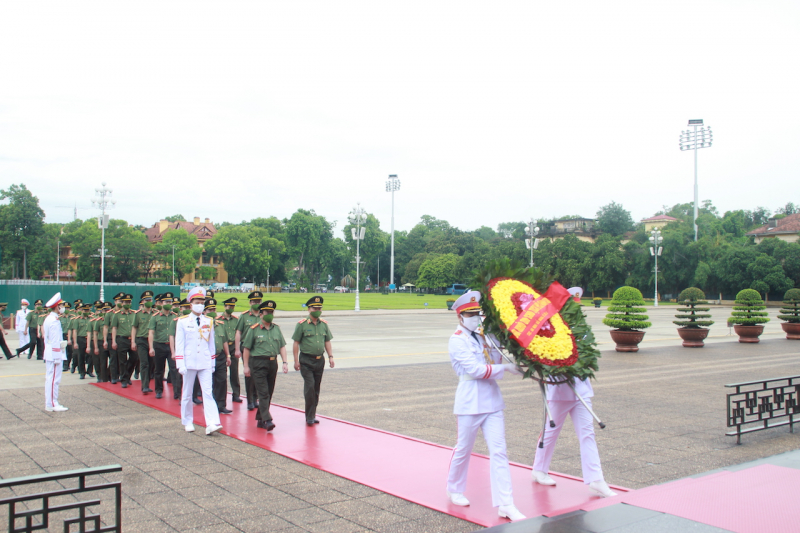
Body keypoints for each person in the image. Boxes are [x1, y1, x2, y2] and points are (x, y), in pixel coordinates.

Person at [445, 290, 525, 522]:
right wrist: (506, 369)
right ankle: (454, 488)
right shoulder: (457, 340)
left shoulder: (485, 337)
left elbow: (497, 358)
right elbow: (477, 370)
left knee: (499, 451)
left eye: (477, 313)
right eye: (469, 314)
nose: (475, 318)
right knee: (464, 448)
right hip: (470, 400)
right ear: (460, 317)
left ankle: (506, 503)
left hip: (492, 401)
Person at [531, 377, 616, 498]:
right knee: (550, 432)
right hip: (558, 391)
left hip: (580, 391)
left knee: (588, 435)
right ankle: (539, 469)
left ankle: (596, 479)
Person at [175, 287, 222, 435]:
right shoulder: (182, 322)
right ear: (191, 304)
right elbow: (179, 344)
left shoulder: (208, 320)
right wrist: (180, 363)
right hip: (188, 361)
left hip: (204, 361)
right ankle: (188, 421)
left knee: (208, 393)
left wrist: (212, 362)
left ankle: (212, 422)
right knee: (187, 393)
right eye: (197, 302)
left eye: (202, 302)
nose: (200, 305)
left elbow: (211, 343)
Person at [242, 300, 288, 431]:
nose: (270, 314)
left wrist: (285, 362)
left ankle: (260, 419)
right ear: (261, 314)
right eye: (267, 312)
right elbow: (246, 349)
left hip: (272, 363)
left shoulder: (276, 329)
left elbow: (282, 346)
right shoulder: (254, 330)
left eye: (272, 312)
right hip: (258, 363)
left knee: (269, 391)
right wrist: (246, 366)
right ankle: (268, 420)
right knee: (263, 393)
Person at [292, 296, 334, 426]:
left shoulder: (324, 325)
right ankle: (309, 416)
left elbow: (327, 341)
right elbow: (296, 342)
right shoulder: (302, 325)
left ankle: (312, 414)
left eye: (319, 308)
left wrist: (330, 356)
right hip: (306, 360)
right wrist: (295, 360)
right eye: (315, 308)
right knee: (309, 387)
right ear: (309, 309)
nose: (317, 310)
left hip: (319, 360)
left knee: (316, 388)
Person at [235, 291, 263, 410]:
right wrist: (237, 349)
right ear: (250, 302)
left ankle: (256, 398)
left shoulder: (263, 315)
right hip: (247, 348)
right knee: (249, 374)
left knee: (258, 373)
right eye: (254, 301)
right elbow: (238, 332)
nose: (256, 303)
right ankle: (250, 400)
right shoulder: (245, 316)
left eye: (258, 301)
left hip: (259, 348)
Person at [150, 293, 181, 400]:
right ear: (161, 303)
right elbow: (151, 333)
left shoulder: (175, 317)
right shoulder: (155, 317)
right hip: (159, 345)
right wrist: (151, 347)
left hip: (172, 346)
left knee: (174, 369)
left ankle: (177, 392)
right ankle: (159, 390)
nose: (168, 304)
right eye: (166, 302)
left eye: (170, 302)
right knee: (159, 370)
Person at [204, 298, 232, 414]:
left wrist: (228, 355)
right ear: (204, 312)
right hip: (206, 358)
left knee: (222, 381)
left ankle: (221, 405)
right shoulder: (201, 326)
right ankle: (210, 405)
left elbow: (224, 340)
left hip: (219, 357)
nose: (213, 311)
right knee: (208, 383)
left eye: (214, 309)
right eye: (210, 309)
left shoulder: (220, 325)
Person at [43, 293, 68, 412]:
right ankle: (53, 403)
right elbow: (54, 340)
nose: (63, 307)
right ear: (57, 307)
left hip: (52, 352)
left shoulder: (51, 318)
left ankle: (51, 402)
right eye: (61, 305)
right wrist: (58, 356)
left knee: (52, 379)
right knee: (54, 380)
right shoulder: (53, 320)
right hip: (54, 354)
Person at [111, 294, 137, 388]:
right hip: (121, 339)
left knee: (134, 358)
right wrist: (113, 341)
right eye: (126, 302)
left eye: (129, 302)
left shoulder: (134, 314)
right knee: (122, 361)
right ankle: (124, 380)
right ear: (122, 303)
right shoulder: (117, 315)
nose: (128, 304)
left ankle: (127, 375)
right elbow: (114, 328)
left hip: (132, 339)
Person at [131, 291, 154, 394]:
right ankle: (144, 386)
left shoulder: (155, 314)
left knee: (151, 364)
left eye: (150, 300)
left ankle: (148, 383)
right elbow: (134, 328)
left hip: (152, 342)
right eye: (146, 300)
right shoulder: (138, 314)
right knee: (144, 363)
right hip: (141, 340)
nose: (148, 302)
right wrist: (133, 341)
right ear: (143, 302)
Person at [218, 297, 240, 404]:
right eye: (229, 306)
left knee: (234, 372)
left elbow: (238, 334)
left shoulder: (236, 320)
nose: (231, 308)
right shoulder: (219, 320)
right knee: (222, 374)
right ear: (225, 306)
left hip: (233, 347)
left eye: (232, 306)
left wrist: (237, 349)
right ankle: (223, 395)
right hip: (222, 348)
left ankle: (236, 394)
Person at [104, 292, 125, 384]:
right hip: (111, 337)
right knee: (113, 357)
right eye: (119, 301)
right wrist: (105, 340)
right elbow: (105, 327)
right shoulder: (109, 313)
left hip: (122, 337)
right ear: (115, 302)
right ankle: (113, 376)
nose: (121, 303)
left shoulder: (125, 313)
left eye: (122, 301)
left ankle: (122, 375)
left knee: (122, 358)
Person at [71, 304, 93, 379]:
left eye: (87, 310)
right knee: (81, 356)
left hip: (89, 339)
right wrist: (75, 342)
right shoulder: (77, 320)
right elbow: (75, 331)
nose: (86, 312)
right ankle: (82, 372)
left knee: (91, 356)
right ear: (81, 310)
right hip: (81, 338)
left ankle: (90, 371)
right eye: (84, 310)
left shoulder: (91, 319)